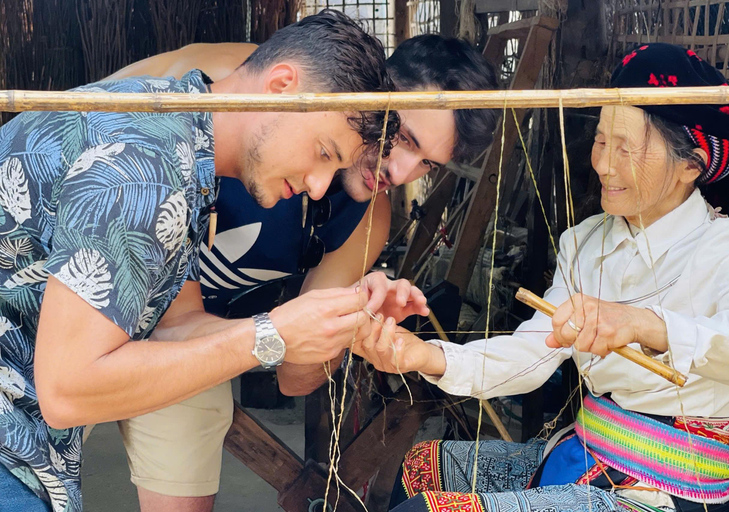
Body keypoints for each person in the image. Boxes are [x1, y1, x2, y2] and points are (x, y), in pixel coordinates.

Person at [0, 10, 428, 512]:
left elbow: (176, 324)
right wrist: (271, 335)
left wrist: (330, 319)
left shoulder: (176, 131)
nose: (317, 185)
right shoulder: (147, 171)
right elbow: (67, 391)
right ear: (282, 86)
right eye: (323, 152)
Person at [356, 43, 729, 512]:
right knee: (423, 467)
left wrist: (644, 324)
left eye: (626, 149)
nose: (604, 164)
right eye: (601, 140)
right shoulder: (585, 243)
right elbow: (535, 352)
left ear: (691, 165)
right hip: (590, 456)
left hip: (667, 491)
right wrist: (426, 356)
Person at [104, 35, 499, 512]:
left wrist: (348, 321)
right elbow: (81, 125)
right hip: (78, 275)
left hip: (185, 337)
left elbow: (294, 377)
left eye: (427, 164)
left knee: (197, 418)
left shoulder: (364, 218)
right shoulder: (252, 78)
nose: (401, 170)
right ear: (373, 86)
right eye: (405, 138)